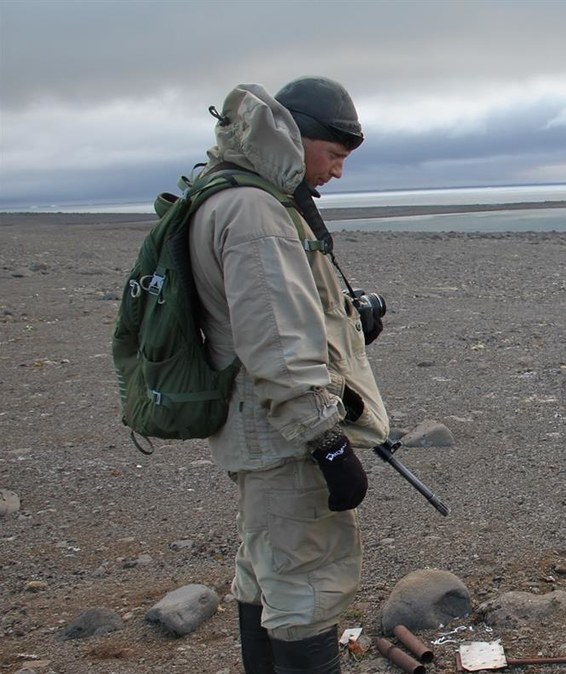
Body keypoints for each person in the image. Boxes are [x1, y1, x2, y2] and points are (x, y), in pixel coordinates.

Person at [188, 77, 390, 674]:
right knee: (307, 585)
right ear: (298, 138)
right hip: (287, 438)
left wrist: (350, 325)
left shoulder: (229, 195)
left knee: (266, 570)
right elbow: (277, 347)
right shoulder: (257, 213)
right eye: (334, 156)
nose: (337, 173)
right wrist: (328, 445)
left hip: (259, 430)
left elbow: (268, 321)